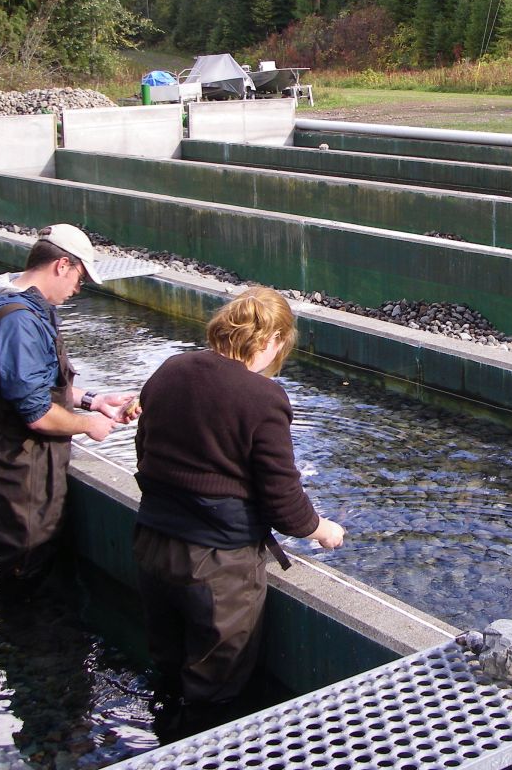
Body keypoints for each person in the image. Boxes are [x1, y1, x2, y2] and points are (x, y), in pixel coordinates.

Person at [132, 286, 345, 737]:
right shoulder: (262, 397)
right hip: (217, 563)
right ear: (272, 341)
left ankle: (158, 741)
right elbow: (282, 496)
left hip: (153, 542)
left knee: (168, 669)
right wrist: (320, 528)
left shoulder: (171, 368)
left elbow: (144, 446)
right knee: (215, 689)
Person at [0, 224, 139, 595]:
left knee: (34, 565)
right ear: (62, 265)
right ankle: (27, 641)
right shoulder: (18, 322)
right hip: (21, 468)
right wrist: (88, 425)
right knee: (27, 570)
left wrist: (93, 400)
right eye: (79, 277)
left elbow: (31, 385)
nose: (78, 289)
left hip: (22, 459)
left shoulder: (23, 309)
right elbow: (37, 413)